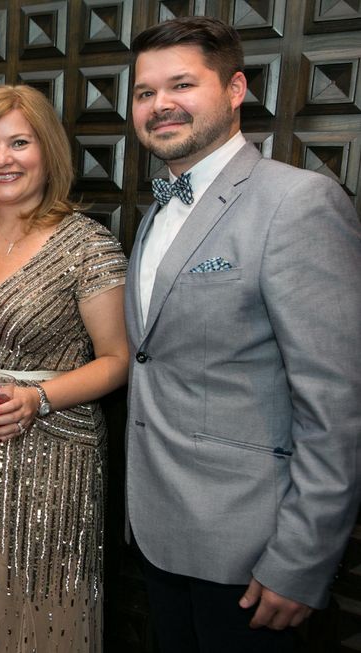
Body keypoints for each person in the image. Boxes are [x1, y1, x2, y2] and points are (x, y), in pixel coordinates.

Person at [125, 16, 361, 653]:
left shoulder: (298, 203)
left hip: (253, 554)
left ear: (235, 90)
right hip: (157, 533)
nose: (160, 104)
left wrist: (301, 558)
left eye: (181, 85)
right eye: (145, 92)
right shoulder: (157, 211)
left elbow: (337, 405)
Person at [0, 85, 129, 652]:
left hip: (54, 451)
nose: (3, 159)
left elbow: (118, 360)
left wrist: (39, 399)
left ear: (48, 150)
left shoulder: (87, 244)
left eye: (19, 143)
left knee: (42, 602)